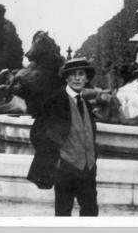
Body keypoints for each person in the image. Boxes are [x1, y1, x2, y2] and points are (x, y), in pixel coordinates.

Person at [27, 57, 99, 216]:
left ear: (87, 78)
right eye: (73, 74)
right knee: (63, 213)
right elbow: (37, 134)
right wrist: (56, 159)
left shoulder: (86, 103)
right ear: (66, 78)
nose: (77, 78)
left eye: (81, 74)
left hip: (87, 169)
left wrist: (92, 160)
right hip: (64, 169)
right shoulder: (54, 101)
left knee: (91, 211)